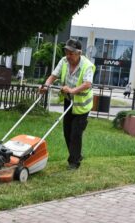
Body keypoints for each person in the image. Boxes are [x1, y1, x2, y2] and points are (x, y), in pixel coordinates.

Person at [39, 39, 95, 170]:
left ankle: (74, 162)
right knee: (67, 132)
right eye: (67, 52)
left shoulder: (87, 65)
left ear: (79, 53)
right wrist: (45, 86)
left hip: (82, 105)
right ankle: (77, 155)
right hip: (69, 101)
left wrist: (72, 90)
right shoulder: (64, 61)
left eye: (71, 53)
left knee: (76, 132)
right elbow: (53, 76)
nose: (68, 56)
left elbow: (87, 84)